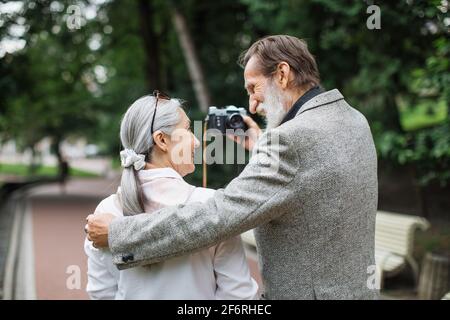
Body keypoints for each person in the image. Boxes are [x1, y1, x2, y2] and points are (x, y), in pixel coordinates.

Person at [87, 35, 379, 299]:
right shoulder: (355, 120)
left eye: (253, 88)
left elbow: (219, 215)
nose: (251, 105)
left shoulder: (288, 143)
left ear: (282, 74)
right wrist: (266, 149)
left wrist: (120, 234)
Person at [84, 93, 258, 299]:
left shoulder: (105, 214)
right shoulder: (211, 206)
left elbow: (101, 294)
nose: (195, 141)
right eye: (187, 130)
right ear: (162, 140)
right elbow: (239, 295)